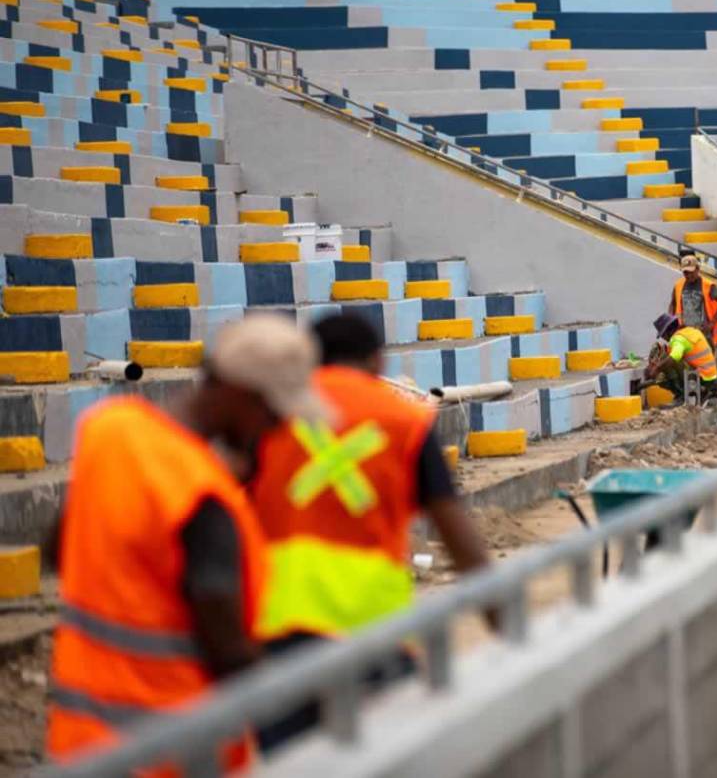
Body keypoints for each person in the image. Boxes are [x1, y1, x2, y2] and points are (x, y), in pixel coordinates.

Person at [46, 314, 324, 771]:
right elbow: (229, 655)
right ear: (239, 393)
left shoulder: (108, 430)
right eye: (274, 414)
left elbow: (62, 549)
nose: (277, 429)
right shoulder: (202, 495)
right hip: (177, 754)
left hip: (83, 743)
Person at [252, 313, 491, 749]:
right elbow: (460, 539)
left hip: (279, 632)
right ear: (378, 362)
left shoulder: (269, 418)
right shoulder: (405, 422)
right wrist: (505, 623)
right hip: (369, 631)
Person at [645, 312, 717, 406]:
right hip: (712, 379)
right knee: (668, 359)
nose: (664, 339)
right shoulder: (692, 331)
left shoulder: (678, 339)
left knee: (668, 362)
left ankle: (682, 395)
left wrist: (657, 369)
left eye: (663, 336)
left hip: (701, 379)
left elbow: (674, 357)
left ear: (668, 331)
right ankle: (706, 392)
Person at [668, 253, 717, 352]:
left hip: (705, 334)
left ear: (698, 269)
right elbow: (673, 304)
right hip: (686, 333)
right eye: (686, 272)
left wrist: (712, 323)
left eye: (691, 272)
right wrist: (670, 321)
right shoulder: (678, 285)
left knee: (709, 363)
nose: (689, 275)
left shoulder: (708, 285)